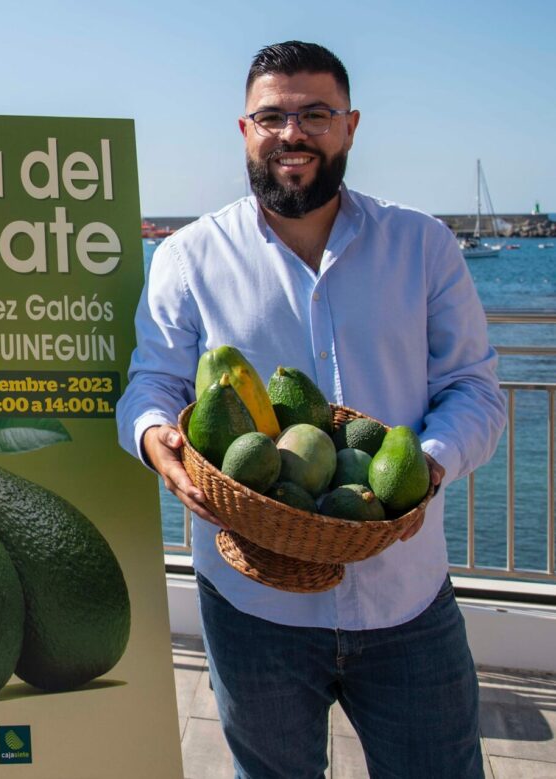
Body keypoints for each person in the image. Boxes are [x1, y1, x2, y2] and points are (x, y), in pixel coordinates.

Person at [117, 41, 505, 778]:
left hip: (407, 598)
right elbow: (152, 384)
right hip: (250, 607)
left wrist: (425, 462)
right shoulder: (189, 257)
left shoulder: (422, 246)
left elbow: (475, 390)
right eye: (273, 116)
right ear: (244, 130)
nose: (293, 132)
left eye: (315, 114)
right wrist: (153, 438)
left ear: (350, 127)